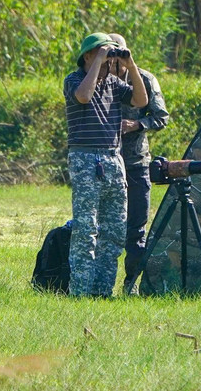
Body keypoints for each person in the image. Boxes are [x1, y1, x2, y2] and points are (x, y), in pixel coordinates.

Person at [63, 32, 149, 297]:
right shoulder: (74, 80)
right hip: (86, 158)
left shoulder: (114, 83)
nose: (109, 58)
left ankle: (102, 291)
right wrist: (99, 60)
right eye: (102, 52)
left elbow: (141, 101)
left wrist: (130, 66)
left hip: (114, 157)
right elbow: (84, 96)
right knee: (87, 227)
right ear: (87, 55)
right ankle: (80, 291)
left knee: (114, 230)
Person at [106, 34, 169, 295]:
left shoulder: (145, 79)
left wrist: (136, 125)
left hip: (135, 162)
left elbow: (161, 117)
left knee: (136, 230)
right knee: (104, 228)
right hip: (108, 162)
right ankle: (100, 283)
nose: (114, 64)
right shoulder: (98, 79)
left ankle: (131, 284)